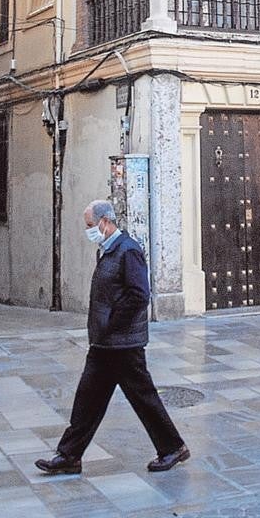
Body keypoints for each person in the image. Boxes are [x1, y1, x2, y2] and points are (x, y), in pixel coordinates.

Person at [35, 200, 190, 475]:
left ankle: (172, 448)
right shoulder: (107, 251)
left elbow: (139, 295)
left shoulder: (127, 250)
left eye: (91, 225)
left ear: (106, 222)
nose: (89, 230)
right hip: (105, 344)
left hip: (123, 344)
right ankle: (69, 455)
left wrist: (112, 324)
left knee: (143, 397)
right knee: (87, 399)